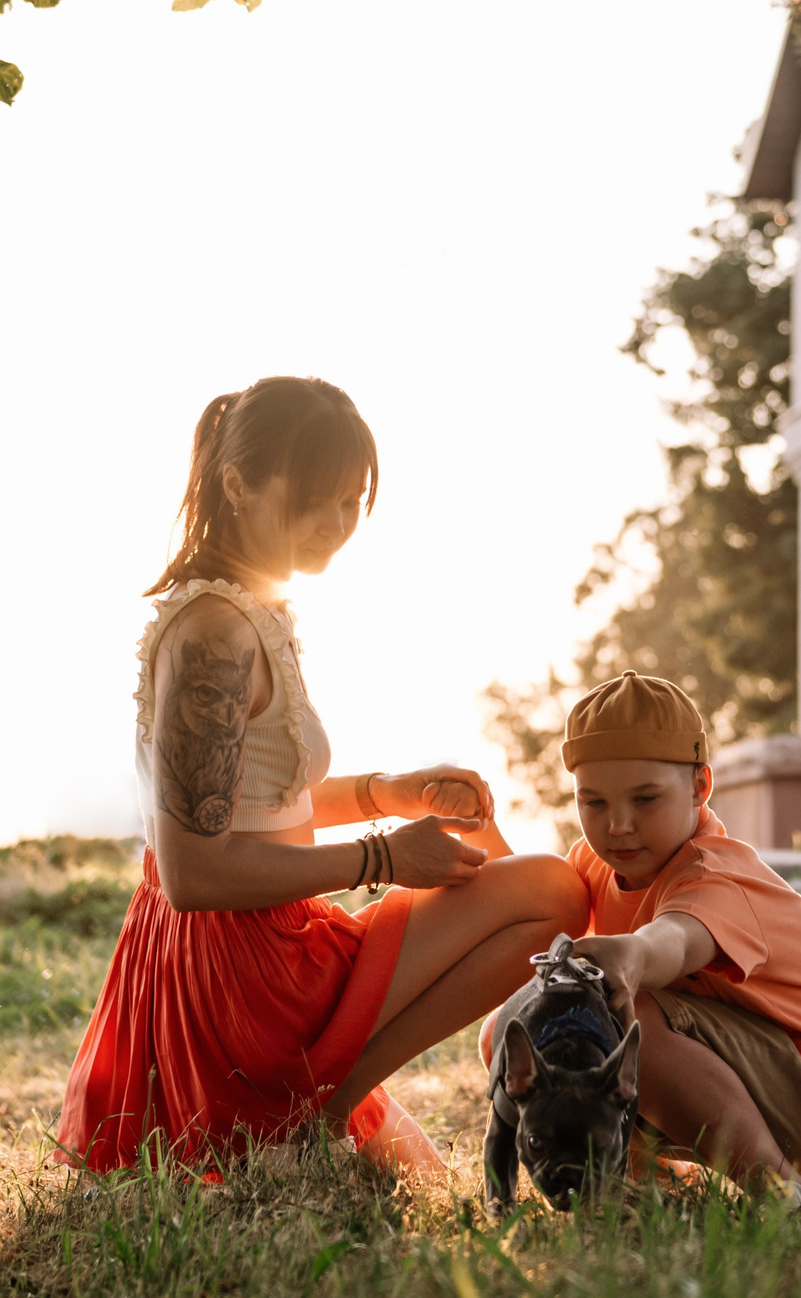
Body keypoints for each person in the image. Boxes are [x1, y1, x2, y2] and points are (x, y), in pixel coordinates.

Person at [57, 377, 587, 1175]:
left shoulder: (244, 611)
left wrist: (391, 789)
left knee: (422, 1178)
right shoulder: (216, 634)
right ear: (236, 483)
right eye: (314, 500)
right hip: (241, 965)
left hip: (222, 950)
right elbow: (193, 869)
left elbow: (251, 809)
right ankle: (323, 1107)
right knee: (552, 889)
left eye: (349, 502)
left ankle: (324, 1105)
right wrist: (384, 857)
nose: (335, 526)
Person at [519, 670, 801, 1198]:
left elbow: (678, 938)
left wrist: (635, 954)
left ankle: (787, 1197)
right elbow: (526, 899)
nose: (618, 824)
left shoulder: (718, 874)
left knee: (630, 1017)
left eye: (645, 800)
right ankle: (654, 1182)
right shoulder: (597, 865)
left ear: (700, 786)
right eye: (593, 803)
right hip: (738, 1070)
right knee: (521, 1025)